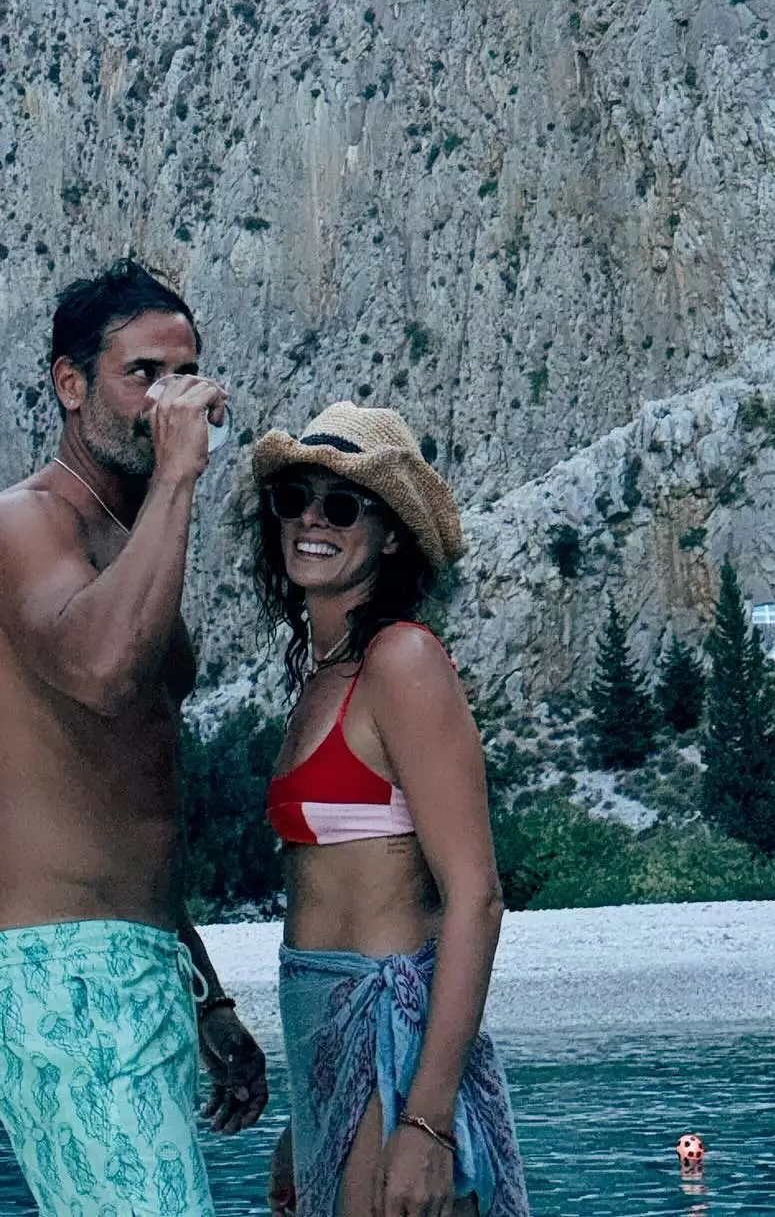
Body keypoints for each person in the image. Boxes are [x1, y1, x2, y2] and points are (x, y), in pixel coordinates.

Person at [0, 258, 269, 1217]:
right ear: (70, 383)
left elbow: (129, 805)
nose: (171, 397)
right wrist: (179, 476)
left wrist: (206, 995)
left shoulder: (129, 545)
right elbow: (102, 671)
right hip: (64, 970)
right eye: (143, 374)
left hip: (142, 958)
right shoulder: (18, 525)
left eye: (186, 373)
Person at [251, 402, 532, 1217]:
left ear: (392, 536)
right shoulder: (325, 677)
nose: (312, 518)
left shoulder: (402, 659)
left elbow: (476, 896)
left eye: (342, 505)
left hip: (391, 1050)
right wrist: (303, 1119)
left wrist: (427, 1121)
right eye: (295, 497)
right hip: (329, 1052)